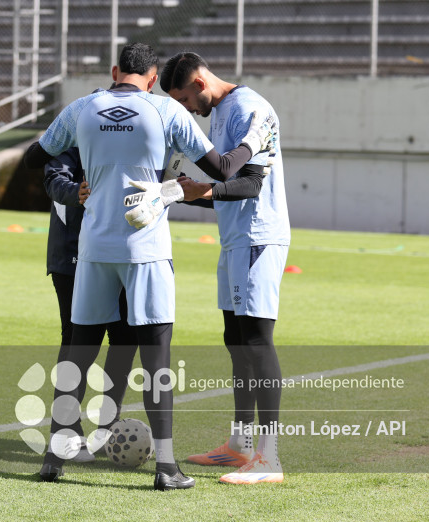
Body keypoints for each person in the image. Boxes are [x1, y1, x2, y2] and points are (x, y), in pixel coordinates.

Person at [21, 42, 274, 491]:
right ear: (154, 78)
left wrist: (86, 182)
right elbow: (221, 167)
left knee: (79, 349)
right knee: (156, 356)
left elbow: (33, 158)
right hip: (146, 248)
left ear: (115, 70)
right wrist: (254, 140)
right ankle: (166, 467)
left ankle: (54, 457)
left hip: (94, 245)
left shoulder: (82, 107)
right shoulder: (166, 113)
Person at [159, 52, 291, 485]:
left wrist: (202, 191)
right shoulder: (221, 111)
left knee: (256, 339)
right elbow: (224, 184)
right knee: (235, 338)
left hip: (258, 236)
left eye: (183, 99)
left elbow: (251, 182)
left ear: (199, 82)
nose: (185, 110)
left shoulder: (251, 109)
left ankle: (269, 458)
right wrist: (189, 190)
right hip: (235, 238)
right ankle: (240, 444)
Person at [42, 145, 138, 462]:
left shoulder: (127, 140)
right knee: (76, 340)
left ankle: (107, 429)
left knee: (125, 338)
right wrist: (76, 190)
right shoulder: (71, 143)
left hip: (120, 253)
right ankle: (65, 432)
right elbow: (54, 178)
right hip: (71, 256)